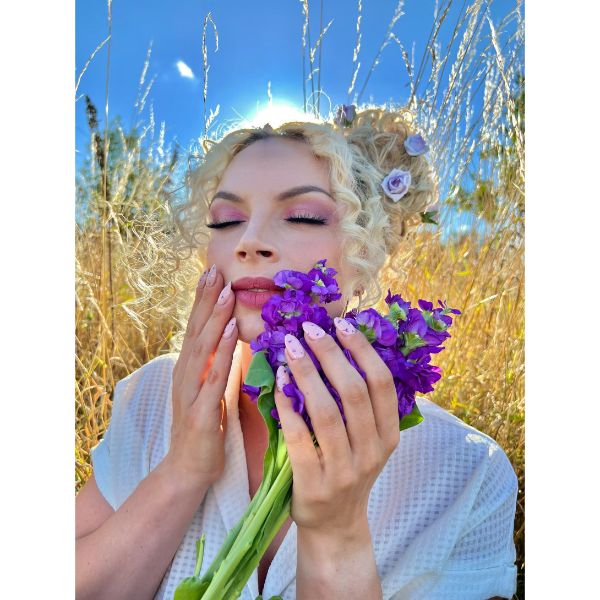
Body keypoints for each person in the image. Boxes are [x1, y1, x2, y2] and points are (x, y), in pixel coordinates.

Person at [75, 107, 518, 600]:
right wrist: (180, 471)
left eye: (303, 216)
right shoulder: (154, 395)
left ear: (364, 253)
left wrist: (336, 534)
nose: (250, 242)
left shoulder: (466, 470)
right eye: (226, 221)